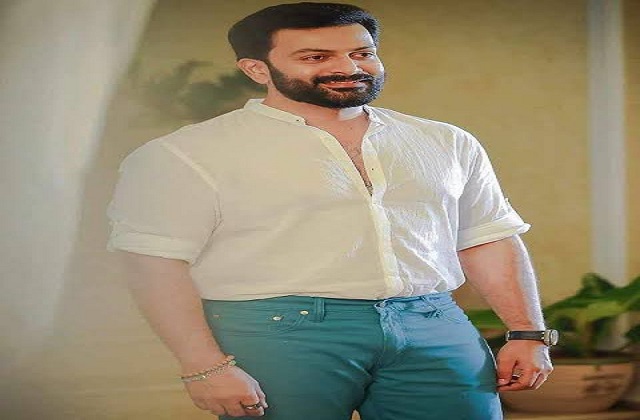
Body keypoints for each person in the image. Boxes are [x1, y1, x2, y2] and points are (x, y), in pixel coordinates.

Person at [107, 3, 554, 419]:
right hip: (276, 331)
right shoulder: (183, 154)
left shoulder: (447, 142)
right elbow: (153, 264)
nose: (349, 68)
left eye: (363, 53)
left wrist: (528, 332)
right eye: (315, 57)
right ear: (256, 69)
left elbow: (487, 238)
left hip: (434, 321)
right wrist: (202, 366)